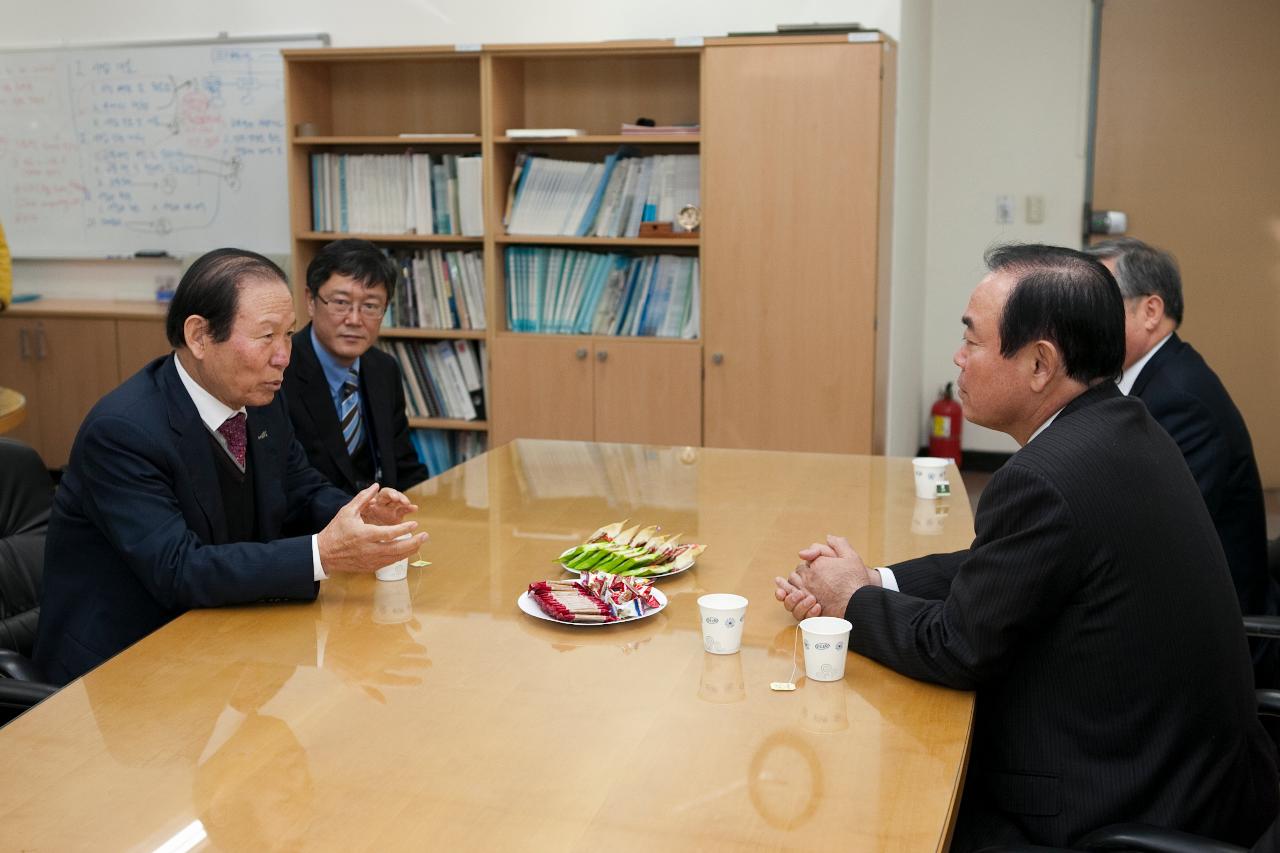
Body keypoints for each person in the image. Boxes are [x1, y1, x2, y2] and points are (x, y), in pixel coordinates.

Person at [775, 245, 1278, 849]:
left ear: (1040, 364)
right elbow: (1011, 564)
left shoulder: (1046, 475)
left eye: (973, 341)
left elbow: (957, 647)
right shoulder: (1124, 427)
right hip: (1197, 776)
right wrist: (874, 580)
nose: (957, 359)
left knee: (882, 796)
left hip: (1116, 802)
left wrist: (850, 600)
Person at [34, 248, 428, 685]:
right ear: (200, 336)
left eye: (289, 334)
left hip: (221, 642)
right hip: (121, 669)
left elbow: (299, 488)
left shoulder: (258, 401)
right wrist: (322, 554)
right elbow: (179, 570)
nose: (284, 355)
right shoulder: (123, 432)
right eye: (266, 337)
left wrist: (359, 513)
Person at [1084, 237, 1276, 683]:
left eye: (1100, 303)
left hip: (1211, 633)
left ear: (1150, 311)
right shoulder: (1153, 376)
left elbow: (1154, 542)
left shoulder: (1180, 400)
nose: (1084, 320)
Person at [282, 239, 428, 493]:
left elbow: (404, 467)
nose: (354, 319)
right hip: (314, 527)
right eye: (341, 302)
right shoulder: (280, 371)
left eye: (370, 306)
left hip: (381, 525)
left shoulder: (384, 368)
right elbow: (285, 484)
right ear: (310, 301)